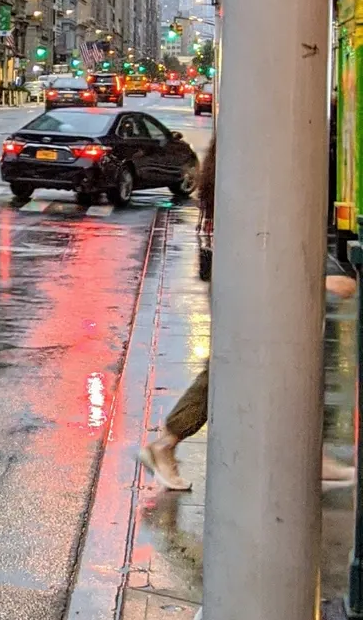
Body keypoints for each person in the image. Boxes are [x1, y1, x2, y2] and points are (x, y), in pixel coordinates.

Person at [137, 139, 357, 490]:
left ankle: (309, 452)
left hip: (232, 275)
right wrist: (317, 278)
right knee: (240, 362)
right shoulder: (253, 160)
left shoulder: (234, 152)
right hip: (244, 278)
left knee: (254, 360)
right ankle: (166, 443)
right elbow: (263, 236)